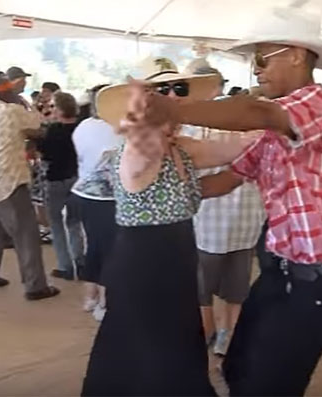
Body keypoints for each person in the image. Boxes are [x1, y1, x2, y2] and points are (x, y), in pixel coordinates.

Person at [136, 8, 322, 396]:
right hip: (280, 273)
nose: (256, 71)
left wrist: (170, 106)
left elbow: (252, 110)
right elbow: (226, 177)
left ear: (296, 54)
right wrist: (163, 194)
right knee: (237, 368)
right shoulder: (275, 128)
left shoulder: (319, 104)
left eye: (261, 59)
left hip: (320, 279)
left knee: (266, 385)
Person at [82, 56, 256, 396]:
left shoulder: (181, 146)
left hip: (176, 263)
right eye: (163, 90)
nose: (174, 96)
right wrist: (141, 120)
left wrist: (276, 127)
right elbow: (142, 147)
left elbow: (232, 149)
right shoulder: (136, 150)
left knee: (172, 347)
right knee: (153, 355)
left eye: (179, 89)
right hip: (144, 269)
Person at [181, 61, 266, 356]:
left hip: (209, 221)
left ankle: (203, 341)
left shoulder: (194, 125)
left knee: (201, 291)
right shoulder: (249, 118)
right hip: (247, 218)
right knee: (237, 289)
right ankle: (228, 342)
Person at [0, 76, 61, 300]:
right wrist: (24, 104)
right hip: (10, 181)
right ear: (5, 93)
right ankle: (35, 286)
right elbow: (39, 125)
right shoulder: (12, 111)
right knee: (26, 234)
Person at [69, 84, 122, 321]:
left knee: (94, 246)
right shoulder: (120, 129)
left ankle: (90, 296)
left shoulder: (83, 127)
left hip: (85, 195)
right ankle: (105, 301)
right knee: (111, 250)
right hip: (111, 197)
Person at [37, 91, 85, 280]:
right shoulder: (81, 128)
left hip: (55, 180)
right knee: (74, 223)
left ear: (59, 109)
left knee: (56, 224)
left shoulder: (53, 131)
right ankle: (80, 262)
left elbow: (45, 154)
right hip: (76, 178)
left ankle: (65, 266)